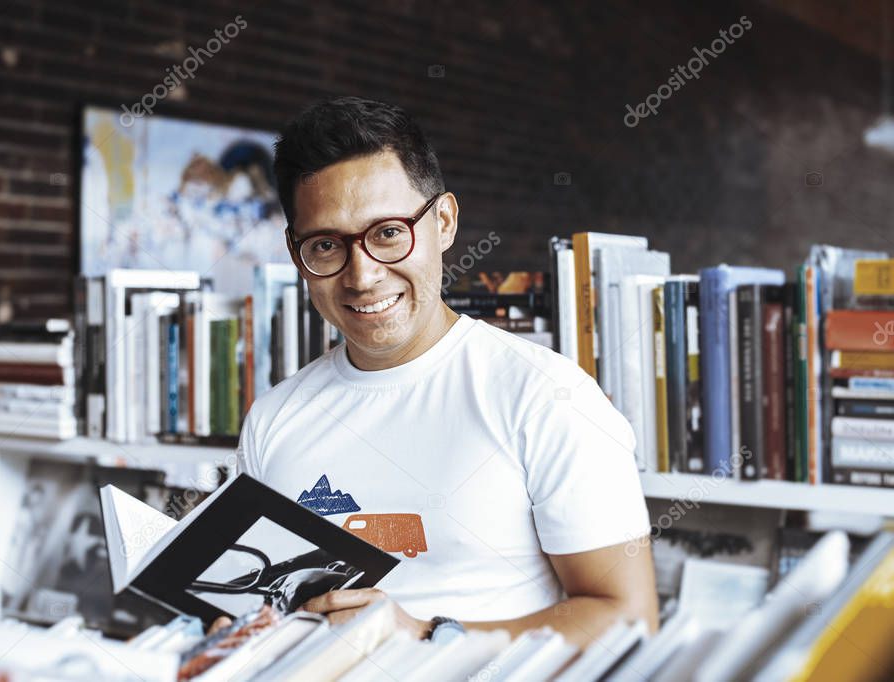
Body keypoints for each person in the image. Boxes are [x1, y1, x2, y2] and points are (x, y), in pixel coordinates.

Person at [234, 95, 658, 645]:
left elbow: (627, 619)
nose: (362, 276)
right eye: (326, 245)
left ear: (444, 222)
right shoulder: (272, 419)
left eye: (388, 233)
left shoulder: (548, 396)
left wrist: (425, 635)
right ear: (298, 255)